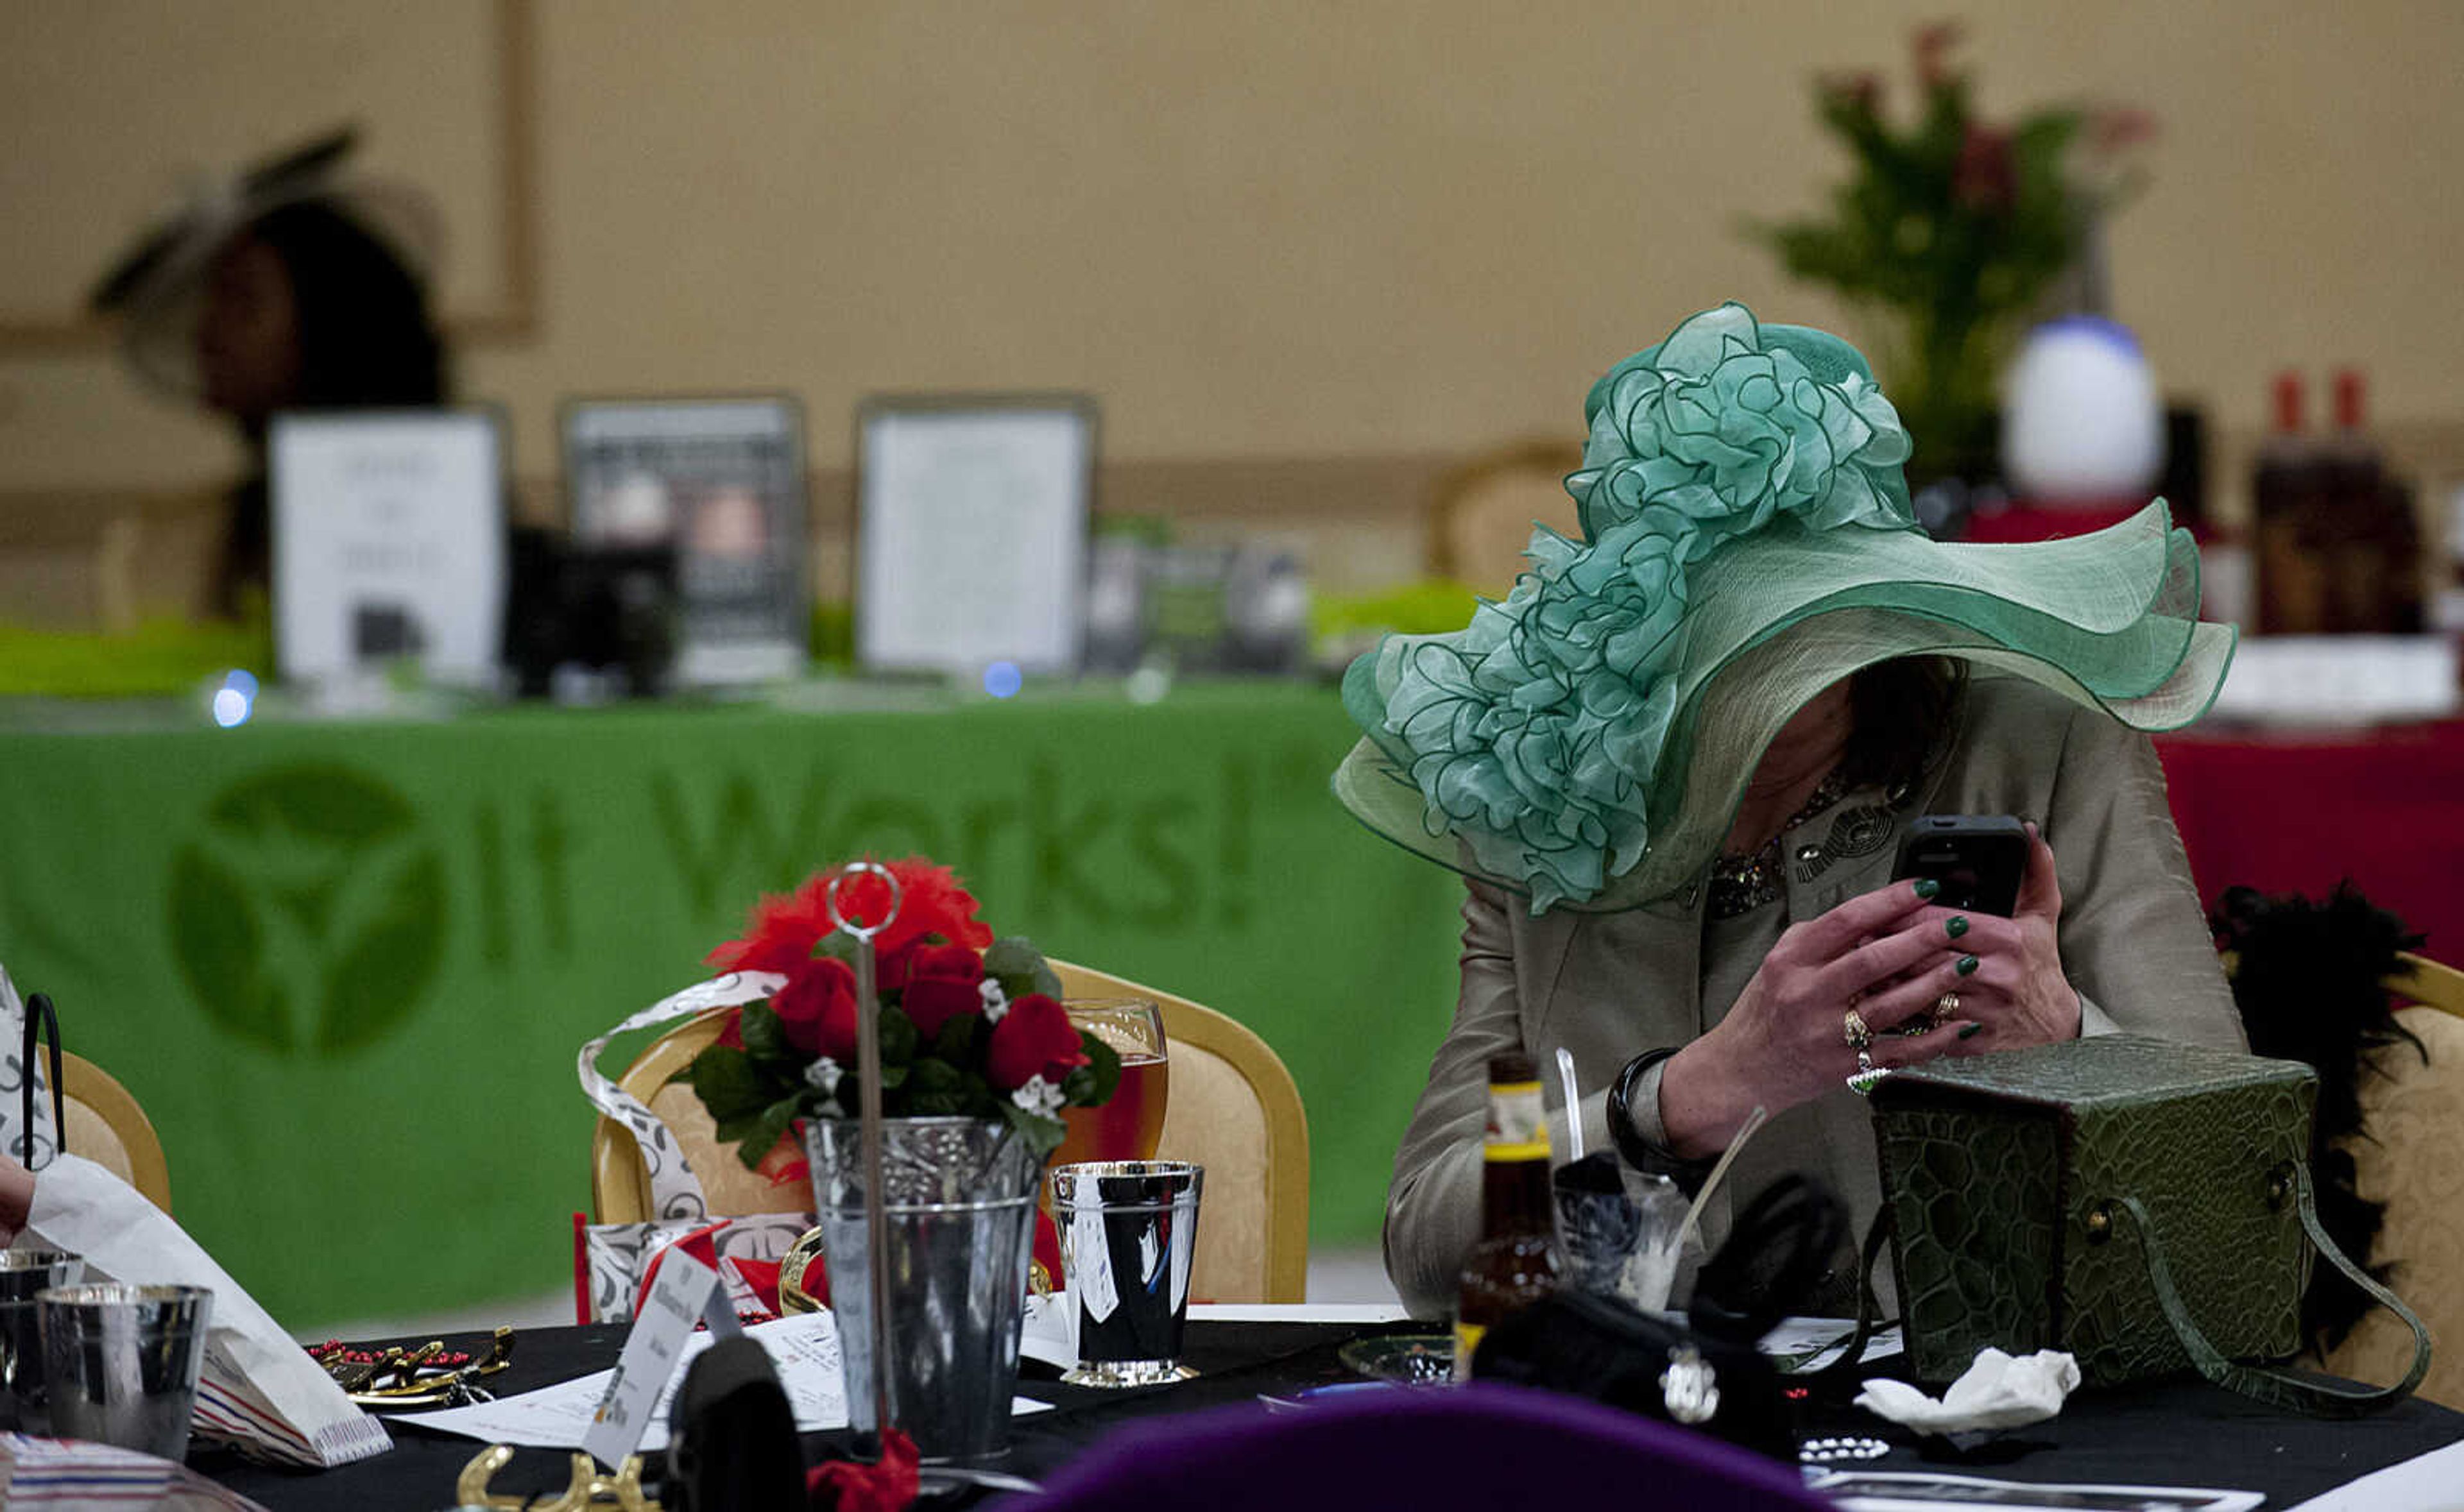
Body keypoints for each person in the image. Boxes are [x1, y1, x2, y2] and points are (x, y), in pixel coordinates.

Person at [1331, 303, 2246, 1318]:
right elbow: (1430, 1247)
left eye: (1799, 619)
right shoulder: (1554, 805)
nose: (1757, 669)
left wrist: (2062, 1037)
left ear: (1884, 609)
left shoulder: (2041, 749)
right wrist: (1688, 1093)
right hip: (1652, 1432)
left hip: (2001, 1418)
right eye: (1713, 623)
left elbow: (2236, 1207)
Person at [89, 128, 449, 616]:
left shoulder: (452, 520)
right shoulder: (162, 548)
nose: (209, 333)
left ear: (331, 321)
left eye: (243, 301)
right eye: (211, 303)